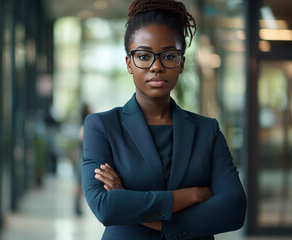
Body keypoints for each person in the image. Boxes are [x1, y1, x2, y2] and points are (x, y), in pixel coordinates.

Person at [81, 0, 247, 239]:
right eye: (144, 56)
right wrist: (190, 196)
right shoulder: (102, 126)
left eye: (169, 56)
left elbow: (234, 209)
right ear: (129, 63)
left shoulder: (206, 130)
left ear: (181, 64)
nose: (156, 66)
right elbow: (105, 207)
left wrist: (139, 208)